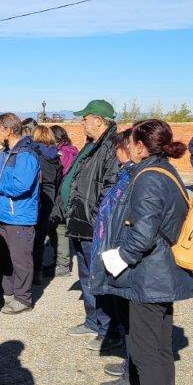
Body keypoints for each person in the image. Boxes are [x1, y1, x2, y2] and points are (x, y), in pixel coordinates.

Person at [92, 119, 193, 385]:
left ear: (140, 145)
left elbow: (143, 235)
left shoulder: (149, 177)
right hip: (158, 275)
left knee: (147, 353)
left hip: (149, 278)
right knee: (159, 351)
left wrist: (116, 259)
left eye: (131, 141)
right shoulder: (162, 169)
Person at [59, 99, 120, 342]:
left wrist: (98, 220)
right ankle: (92, 321)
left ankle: (108, 331)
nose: (82, 122)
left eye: (85, 118)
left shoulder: (111, 147)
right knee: (86, 276)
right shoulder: (91, 145)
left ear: (98, 120)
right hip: (80, 222)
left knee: (100, 278)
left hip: (95, 225)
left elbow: (110, 188)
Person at [85, 129, 135, 385]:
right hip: (112, 251)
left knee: (130, 317)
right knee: (124, 313)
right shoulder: (126, 174)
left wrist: (121, 255)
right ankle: (129, 362)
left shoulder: (136, 177)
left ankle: (132, 373)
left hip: (122, 256)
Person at [0, 113, 41, 313]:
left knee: (21, 259)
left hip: (19, 216)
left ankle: (24, 298)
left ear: (8, 130)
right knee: (3, 258)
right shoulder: (8, 152)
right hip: (4, 214)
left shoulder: (25, 154)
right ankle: (6, 292)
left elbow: (22, 185)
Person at [29, 124, 63, 284]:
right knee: (41, 236)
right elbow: (58, 180)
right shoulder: (55, 156)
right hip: (50, 196)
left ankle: (27, 272)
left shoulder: (34, 154)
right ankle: (37, 272)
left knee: (29, 235)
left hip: (36, 195)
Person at [50, 125, 79, 276]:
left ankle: (63, 263)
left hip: (61, 194)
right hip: (68, 194)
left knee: (59, 227)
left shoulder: (63, 153)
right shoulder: (72, 150)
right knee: (58, 226)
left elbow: (60, 173)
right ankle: (60, 260)